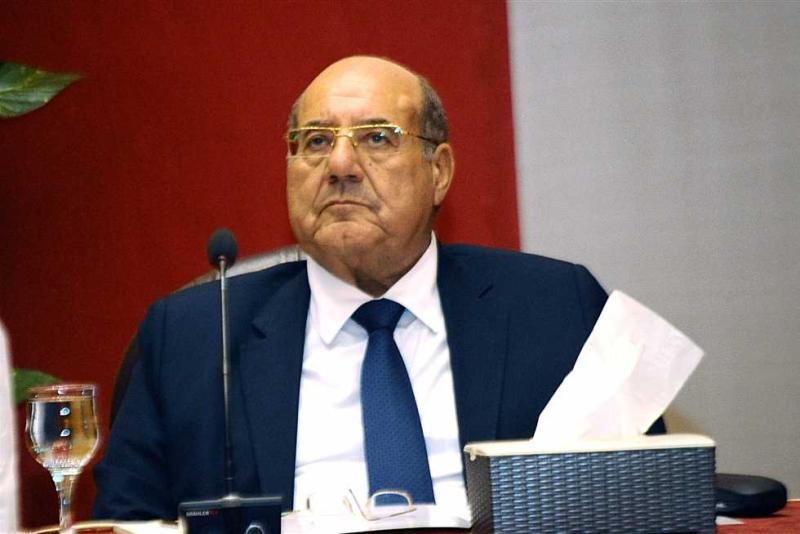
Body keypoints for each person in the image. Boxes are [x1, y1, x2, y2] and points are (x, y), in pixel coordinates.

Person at [94, 56, 641, 520]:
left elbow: (647, 502)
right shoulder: (191, 337)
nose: (340, 165)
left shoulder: (557, 310)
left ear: (439, 171)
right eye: (315, 141)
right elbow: (123, 524)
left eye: (377, 138)